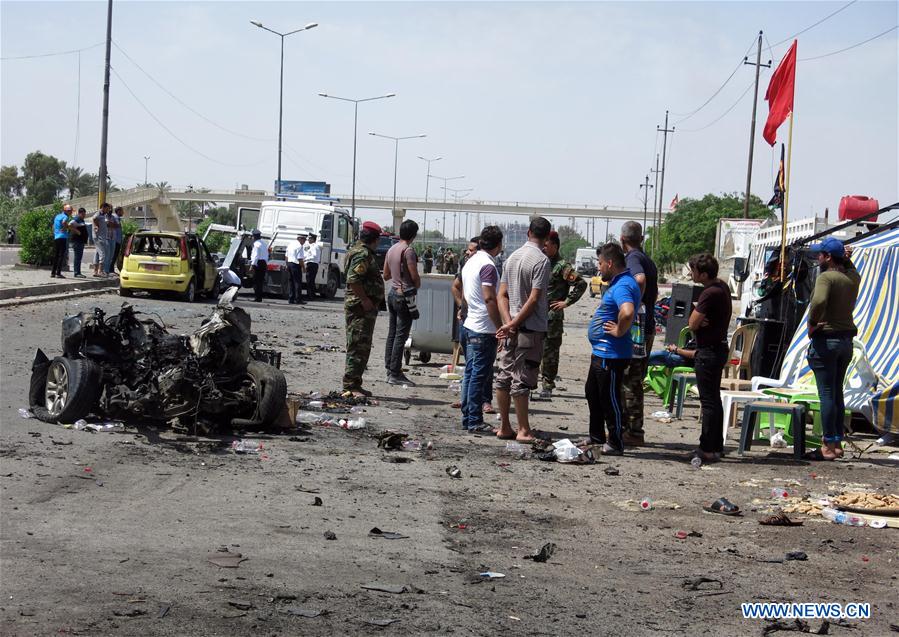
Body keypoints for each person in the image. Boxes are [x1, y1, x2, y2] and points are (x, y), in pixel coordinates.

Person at [495, 216, 552, 442]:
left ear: (528, 233)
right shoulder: (541, 261)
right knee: (522, 379)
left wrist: (508, 322)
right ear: (546, 237)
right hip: (529, 329)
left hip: (512, 327)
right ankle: (523, 430)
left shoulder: (512, 257)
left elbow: (502, 295)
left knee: (504, 376)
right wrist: (514, 324)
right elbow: (535, 298)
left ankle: (504, 427)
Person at [805, 237, 860, 461]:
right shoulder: (852, 278)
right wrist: (846, 261)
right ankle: (836, 444)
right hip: (846, 342)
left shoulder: (826, 277)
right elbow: (853, 270)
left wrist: (811, 323)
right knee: (837, 393)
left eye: (820, 254)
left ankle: (827, 446)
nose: (818, 258)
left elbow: (818, 301)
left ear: (827, 257)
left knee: (826, 394)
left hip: (826, 340)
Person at [584, 243, 641, 454]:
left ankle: (616, 441)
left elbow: (627, 311)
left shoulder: (623, 285)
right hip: (601, 351)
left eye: (600, 264)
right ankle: (596, 436)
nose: (599, 269)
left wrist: (619, 330)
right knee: (593, 393)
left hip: (612, 353)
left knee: (610, 398)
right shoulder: (620, 282)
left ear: (609, 263)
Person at [686, 253, 733, 463]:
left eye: (693, 270)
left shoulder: (709, 292)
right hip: (718, 348)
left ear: (703, 274)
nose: (691, 274)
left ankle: (707, 448)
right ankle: (716, 447)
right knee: (714, 399)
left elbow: (693, 323)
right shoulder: (722, 287)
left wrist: (698, 319)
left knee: (708, 402)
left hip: (708, 352)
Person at [459, 226, 504, 433]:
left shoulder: (471, 262)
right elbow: (489, 297)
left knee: (470, 373)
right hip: (482, 329)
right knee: (478, 375)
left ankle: (468, 416)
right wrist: (499, 327)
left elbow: (465, 294)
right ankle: (475, 420)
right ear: (499, 245)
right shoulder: (487, 265)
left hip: (469, 326)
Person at [619, 221, 659, 446]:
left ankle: (634, 432)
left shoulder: (633, 259)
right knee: (633, 379)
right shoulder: (646, 259)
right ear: (641, 239)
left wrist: (630, 306)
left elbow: (640, 280)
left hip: (637, 330)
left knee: (630, 380)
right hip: (646, 327)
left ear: (622, 239)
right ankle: (631, 429)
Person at [535, 230, 587, 400]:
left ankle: (548, 384)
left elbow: (581, 283)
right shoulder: (540, 262)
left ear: (555, 246)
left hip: (552, 316)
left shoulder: (562, 266)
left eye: (546, 245)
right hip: (536, 314)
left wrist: (566, 302)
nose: (543, 247)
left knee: (550, 353)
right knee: (534, 349)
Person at [451, 237, 495, 414]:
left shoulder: (485, 266)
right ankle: (470, 408)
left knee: (481, 367)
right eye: (467, 250)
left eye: (472, 249)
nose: (468, 253)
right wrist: (462, 305)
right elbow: (455, 287)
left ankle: (483, 401)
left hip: (477, 323)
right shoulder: (468, 265)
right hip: (471, 322)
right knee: (473, 367)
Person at [343, 221, 385, 396]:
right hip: (360, 307)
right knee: (358, 345)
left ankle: (355, 383)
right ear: (374, 239)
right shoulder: (362, 254)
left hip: (362, 307)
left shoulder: (359, 251)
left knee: (361, 345)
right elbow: (353, 279)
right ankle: (350, 385)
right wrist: (365, 300)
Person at [383, 219, 421, 385]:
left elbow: (386, 275)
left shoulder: (392, 249)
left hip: (392, 293)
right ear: (414, 234)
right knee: (401, 335)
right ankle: (395, 373)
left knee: (392, 333)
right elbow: (414, 277)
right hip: (404, 296)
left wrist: (397, 274)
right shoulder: (408, 251)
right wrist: (415, 283)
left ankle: (389, 367)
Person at [286, 232, 307, 305]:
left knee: (291, 282)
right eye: (303, 239)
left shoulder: (291, 244)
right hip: (295, 265)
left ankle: (291, 299)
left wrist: (287, 265)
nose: (304, 241)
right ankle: (298, 299)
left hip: (289, 264)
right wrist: (304, 267)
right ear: (299, 239)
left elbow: (286, 256)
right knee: (297, 283)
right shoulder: (299, 246)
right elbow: (300, 259)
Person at [50, 204, 71, 278]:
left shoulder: (57, 216)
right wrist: (66, 227)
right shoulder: (65, 217)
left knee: (56, 255)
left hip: (56, 237)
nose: (70, 212)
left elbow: (53, 226)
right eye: (69, 211)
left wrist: (54, 233)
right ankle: (58, 273)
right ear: (65, 211)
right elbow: (64, 222)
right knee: (61, 255)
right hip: (62, 237)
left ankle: (53, 272)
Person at [91, 203, 111, 277]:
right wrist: (96, 226)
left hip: (102, 236)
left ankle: (95, 271)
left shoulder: (104, 215)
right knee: (102, 253)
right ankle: (100, 271)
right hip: (98, 237)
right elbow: (94, 218)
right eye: (107, 208)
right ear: (103, 207)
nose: (108, 210)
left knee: (97, 254)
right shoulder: (99, 213)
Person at [68, 207, 89, 278]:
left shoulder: (81, 220)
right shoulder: (76, 219)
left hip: (81, 241)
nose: (84, 215)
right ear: (79, 213)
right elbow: (69, 225)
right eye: (82, 214)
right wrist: (77, 232)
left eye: (84, 214)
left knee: (79, 257)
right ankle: (77, 273)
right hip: (77, 241)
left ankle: (78, 272)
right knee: (77, 257)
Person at [249, 229, 268, 302]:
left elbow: (256, 256)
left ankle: (257, 297)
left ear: (254, 237)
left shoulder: (256, 244)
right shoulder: (263, 243)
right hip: (263, 262)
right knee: (260, 281)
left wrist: (252, 265)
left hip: (258, 263)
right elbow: (266, 255)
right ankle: (259, 297)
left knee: (256, 281)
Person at [107, 206, 124, 274]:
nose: (123, 212)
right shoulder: (116, 217)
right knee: (113, 255)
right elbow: (116, 226)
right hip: (115, 240)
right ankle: (110, 269)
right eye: (122, 211)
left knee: (114, 255)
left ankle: (111, 269)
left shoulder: (117, 218)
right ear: (118, 211)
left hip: (117, 240)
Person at [304, 233, 321, 299]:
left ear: (313, 239)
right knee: (310, 280)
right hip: (310, 263)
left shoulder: (315, 246)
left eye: (310, 238)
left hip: (312, 264)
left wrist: (306, 259)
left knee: (310, 280)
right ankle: (311, 294)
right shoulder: (310, 246)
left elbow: (314, 255)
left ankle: (310, 295)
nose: (308, 240)